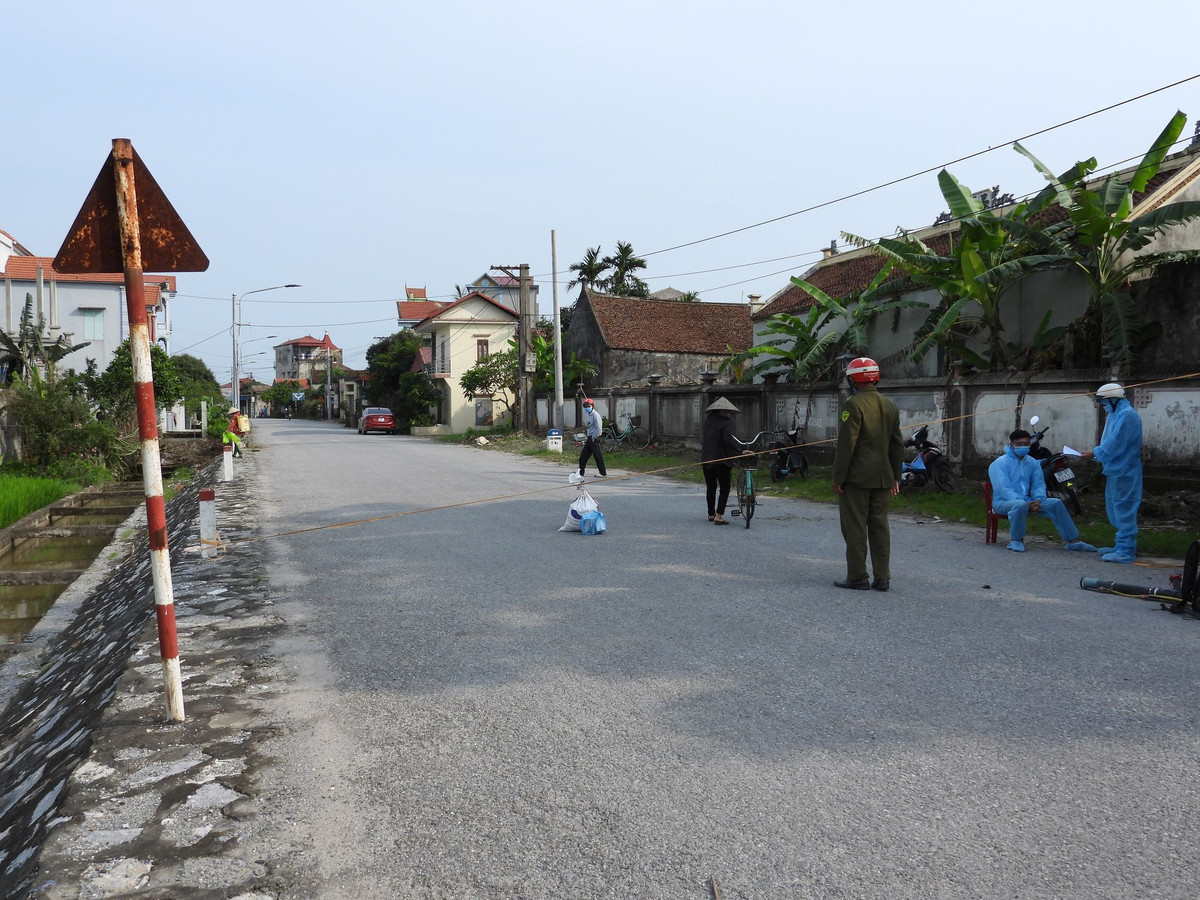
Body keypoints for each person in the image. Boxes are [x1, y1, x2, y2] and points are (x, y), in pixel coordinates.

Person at [831, 357, 904, 591]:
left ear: (854, 379)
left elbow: (846, 446)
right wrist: (896, 476)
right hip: (883, 477)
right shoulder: (889, 405)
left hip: (857, 479)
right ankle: (883, 577)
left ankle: (857, 576)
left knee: (855, 527)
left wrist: (838, 477)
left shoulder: (853, 404)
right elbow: (897, 444)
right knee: (880, 527)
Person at [989, 429, 1096, 554]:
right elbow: (1003, 489)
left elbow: (1038, 484)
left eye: (1026, 444)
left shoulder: (1032, 462)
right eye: (1019, 444)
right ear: (1011, 445)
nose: (1023, 447)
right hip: (1003, 503)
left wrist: (1038, 500)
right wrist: (1025, 502)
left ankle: (1072, 541)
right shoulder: (999, 463)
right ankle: (1016, 540)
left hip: (1029, 501)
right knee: (1020, 505)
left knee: (1056, 503)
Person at [1078, 382, 1143, 563]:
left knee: (1124, 508)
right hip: (1115, 469)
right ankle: (1120, 545)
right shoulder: (1115, 414)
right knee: (1115, 507)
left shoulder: (1128, 416)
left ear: (1114, 399)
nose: (1103, 405)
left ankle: (1126, 550)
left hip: (1126, 470)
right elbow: (1109, 441)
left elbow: (1116, 443)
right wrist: (1097, 453)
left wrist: (1094, 453)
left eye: (1104, 401)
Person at [700, 396, 744, 525]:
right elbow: (727, 440)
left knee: (711, 488)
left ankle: (711, 514)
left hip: (706, 460)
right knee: (724, 488)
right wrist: (740, 452)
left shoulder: (707, 422)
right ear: (723, 411)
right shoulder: (725, 422)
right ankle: (719, 515)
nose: (728, 414)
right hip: (721, 461)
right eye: (727, 412)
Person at [577, 398, 607, 478]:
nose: (587, 408)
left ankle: (603, 472)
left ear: (592, 406)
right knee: (583, 456)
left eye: (588, 406)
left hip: (594, 438)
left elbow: (599, 429)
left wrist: (594, 437)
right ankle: (581, 471)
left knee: (597, 456)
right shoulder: (589, 415)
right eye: (585, 406)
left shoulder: (595, 415)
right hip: (589, 438)